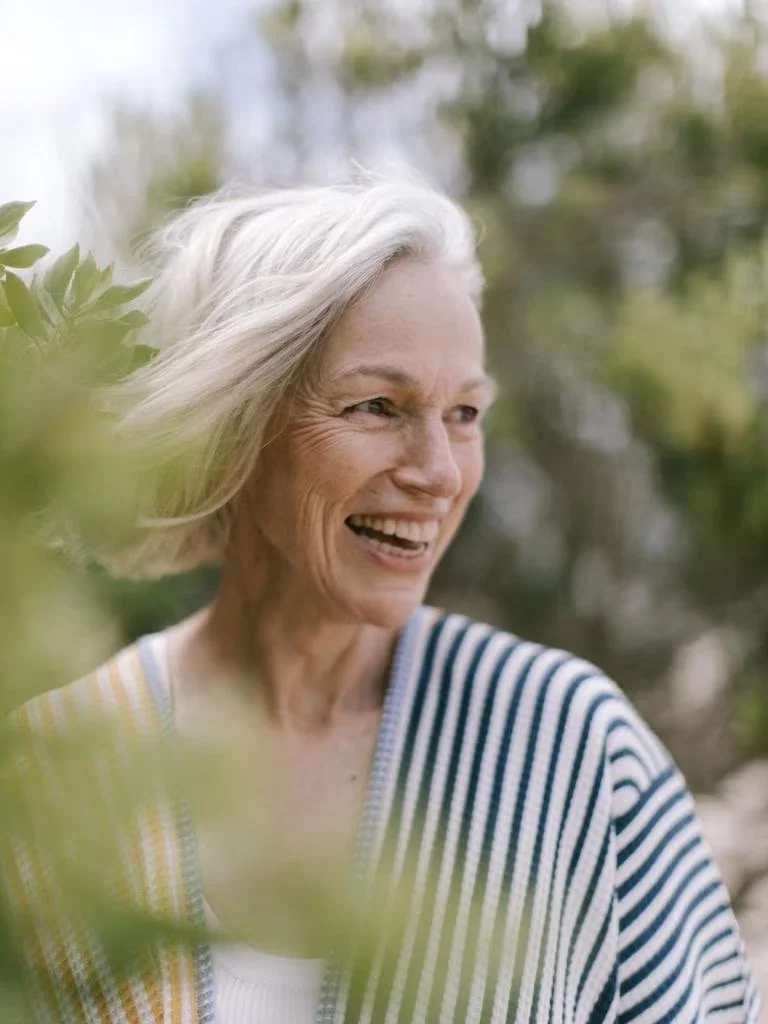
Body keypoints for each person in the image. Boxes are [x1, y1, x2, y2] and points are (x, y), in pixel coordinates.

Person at [7, 173, 761, 1024]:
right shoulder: (45, 775)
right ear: (232, 426)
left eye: (465, 413)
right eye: (378, 406)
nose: (440, 472)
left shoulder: (575, 753)